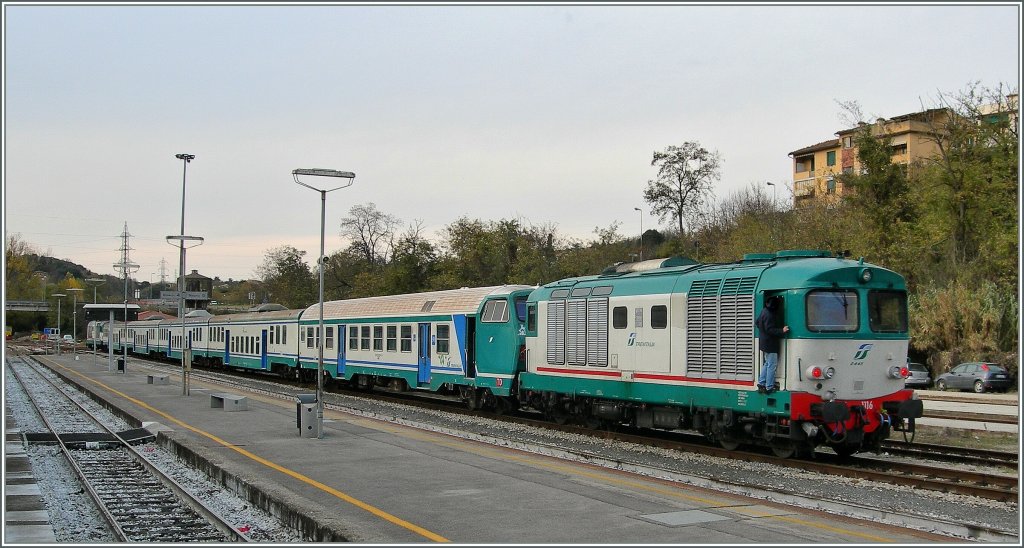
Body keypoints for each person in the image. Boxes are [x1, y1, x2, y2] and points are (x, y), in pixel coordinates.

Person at [756, 296, 789, 394]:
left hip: (764, 343)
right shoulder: (770, 315)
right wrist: (781, 330)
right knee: (772, 365)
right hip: (771, 344)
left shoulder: (763, 311)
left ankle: (761, 383)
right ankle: (769, 387)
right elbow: (770, 329)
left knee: (767, 363)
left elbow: (757, 323)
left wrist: (763, 333)